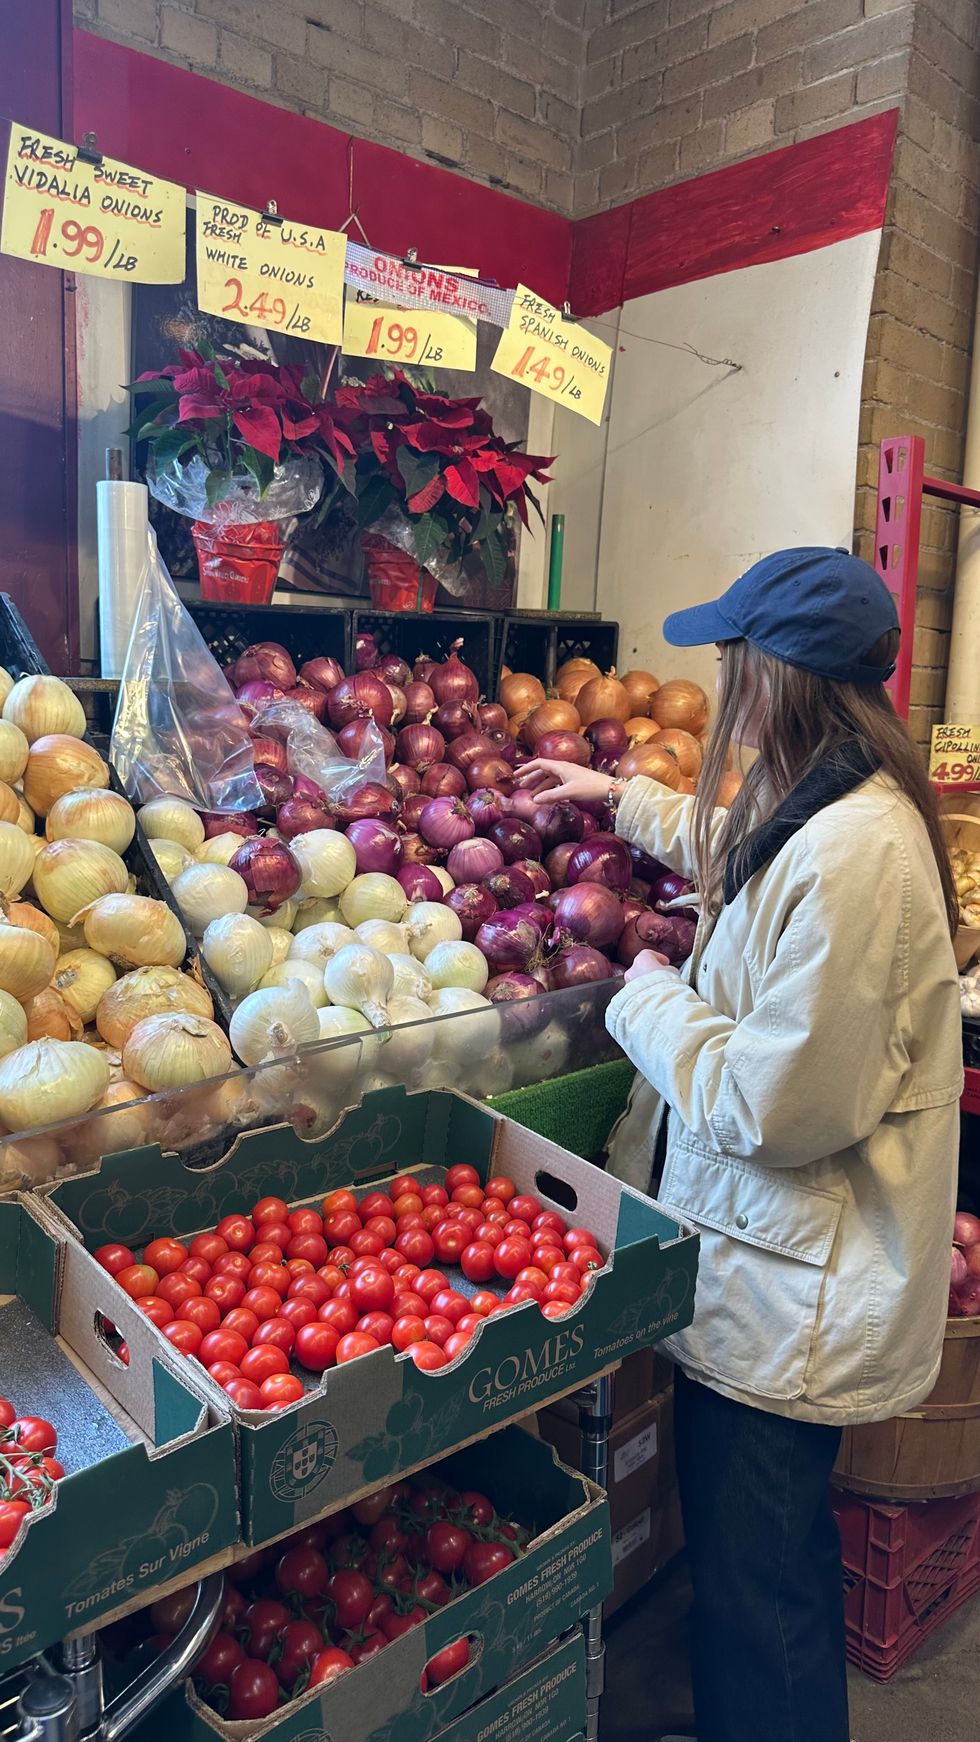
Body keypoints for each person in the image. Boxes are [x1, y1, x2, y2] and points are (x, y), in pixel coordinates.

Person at [518, 548, 963, 1742]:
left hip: (796, 1299)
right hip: (775, 1274)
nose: (717, 679)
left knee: (758, 1584)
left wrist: (649, 991)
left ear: (778, 673)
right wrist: (609, 796)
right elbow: (744, 851)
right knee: (753, 1564)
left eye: (730, 656)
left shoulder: (853, 851)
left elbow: (775, 1105)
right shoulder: (829, 797)